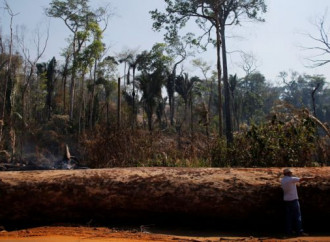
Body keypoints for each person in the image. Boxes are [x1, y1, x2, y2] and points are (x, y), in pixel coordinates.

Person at [281, 168, 313, 237]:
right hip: (293, 199)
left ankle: (289, 232)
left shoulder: (282, 180)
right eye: (290, 173)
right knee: (297, 216)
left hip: (286, 200)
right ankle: (299, 231)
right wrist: (312, 178)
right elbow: (302, 179)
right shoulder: (291, 179)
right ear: (288, 173)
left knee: (288, 217)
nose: (291, 173)